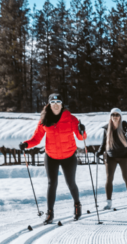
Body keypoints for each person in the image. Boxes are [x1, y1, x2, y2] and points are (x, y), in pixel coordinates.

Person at [19, 93, 87, 224]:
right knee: (52, 183)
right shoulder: (44, 120)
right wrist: (26, 144)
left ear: (62, 104)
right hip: (51, 156)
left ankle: (77, 206)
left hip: (69, 156)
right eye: (53, 102)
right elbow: (37, 138)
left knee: (70, 183)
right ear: (49, 105)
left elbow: (81, 137)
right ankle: (49, 213)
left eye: (58, 102)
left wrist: (82, 131)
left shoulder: (71, 119)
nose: (56, 105)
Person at [101, 108, 127, 210]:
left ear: (120, 116)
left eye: (117, 115)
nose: (115, 117)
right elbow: (104, 143)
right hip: (110, 156)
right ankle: (108, 203)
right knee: (109, 178)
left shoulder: (125, 127)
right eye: (113, 115)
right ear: (110, 116)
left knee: (126, 177)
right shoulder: (107, 128)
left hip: (124, 156)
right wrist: (98, 152)